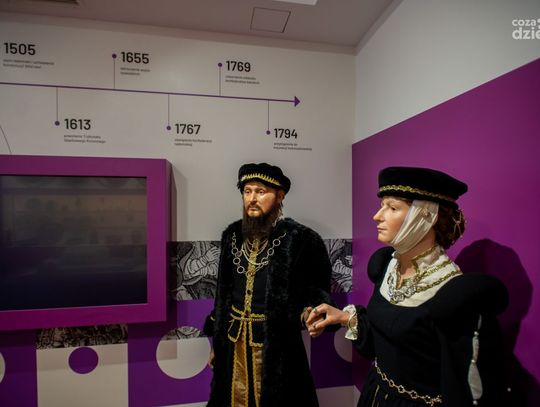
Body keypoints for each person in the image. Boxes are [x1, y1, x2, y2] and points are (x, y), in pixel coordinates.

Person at [306, 166, 509, 407]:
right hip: (375, 395)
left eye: (392, 208)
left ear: (425, 216)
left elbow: (461, 385)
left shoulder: (451, 292)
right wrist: (343, 317)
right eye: (382, 206)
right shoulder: (387, 266)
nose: (377, 216)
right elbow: (385, 340)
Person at [203, 162, 334, 407]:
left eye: (261, 192)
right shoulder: (232, 236)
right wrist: (217, 346)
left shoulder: (301, 239)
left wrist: (311, 313)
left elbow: (316, 292)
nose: (252, 199)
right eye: (247, 191)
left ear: (280, 196)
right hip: (233, 345)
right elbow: (223, 296)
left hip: (278, 348)